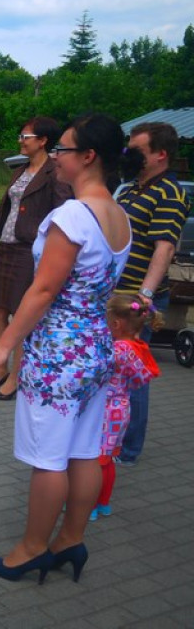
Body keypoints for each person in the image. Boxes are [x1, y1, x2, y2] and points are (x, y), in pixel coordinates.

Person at [0, 113, 131, 586]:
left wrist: (3, 347)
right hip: (96, 346)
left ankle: (31, 549)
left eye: (63, 149)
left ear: (88, 157)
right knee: (84, 450)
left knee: (49, 457)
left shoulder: (71, 215)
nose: (56, 156)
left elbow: (42, 291)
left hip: (58, 351)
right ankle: (70, 539)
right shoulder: (117, 215)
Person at [0, 118, 72, 400]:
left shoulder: (55, 173)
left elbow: (63, 213)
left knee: (20, 315)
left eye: (25, 136)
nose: (20, 140)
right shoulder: (20, 171)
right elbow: (3, 210)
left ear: (43, 141)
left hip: (31, 251)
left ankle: (16, 378)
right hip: (7, 248)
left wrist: (52, 248)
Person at [114, 121, 189, 465]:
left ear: (160, 155)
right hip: (113, 294)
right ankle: (109, 436)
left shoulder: (170, 194)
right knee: (112, 369)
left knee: (132, 374)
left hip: (135, 299)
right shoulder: (128, 189)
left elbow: (164, 248)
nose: (129, 154)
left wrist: (144, 296)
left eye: (137, 150)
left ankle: (128, 450)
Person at [91, 295, 162, 521]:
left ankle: (89, 506)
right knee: (108, 459)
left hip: (106, 411)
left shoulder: (117, 349)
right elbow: (141, 378)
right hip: (121, 409)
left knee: (96, 462)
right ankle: (103, 503)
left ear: (116, 324)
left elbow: (95, 370)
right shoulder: (134, 347)